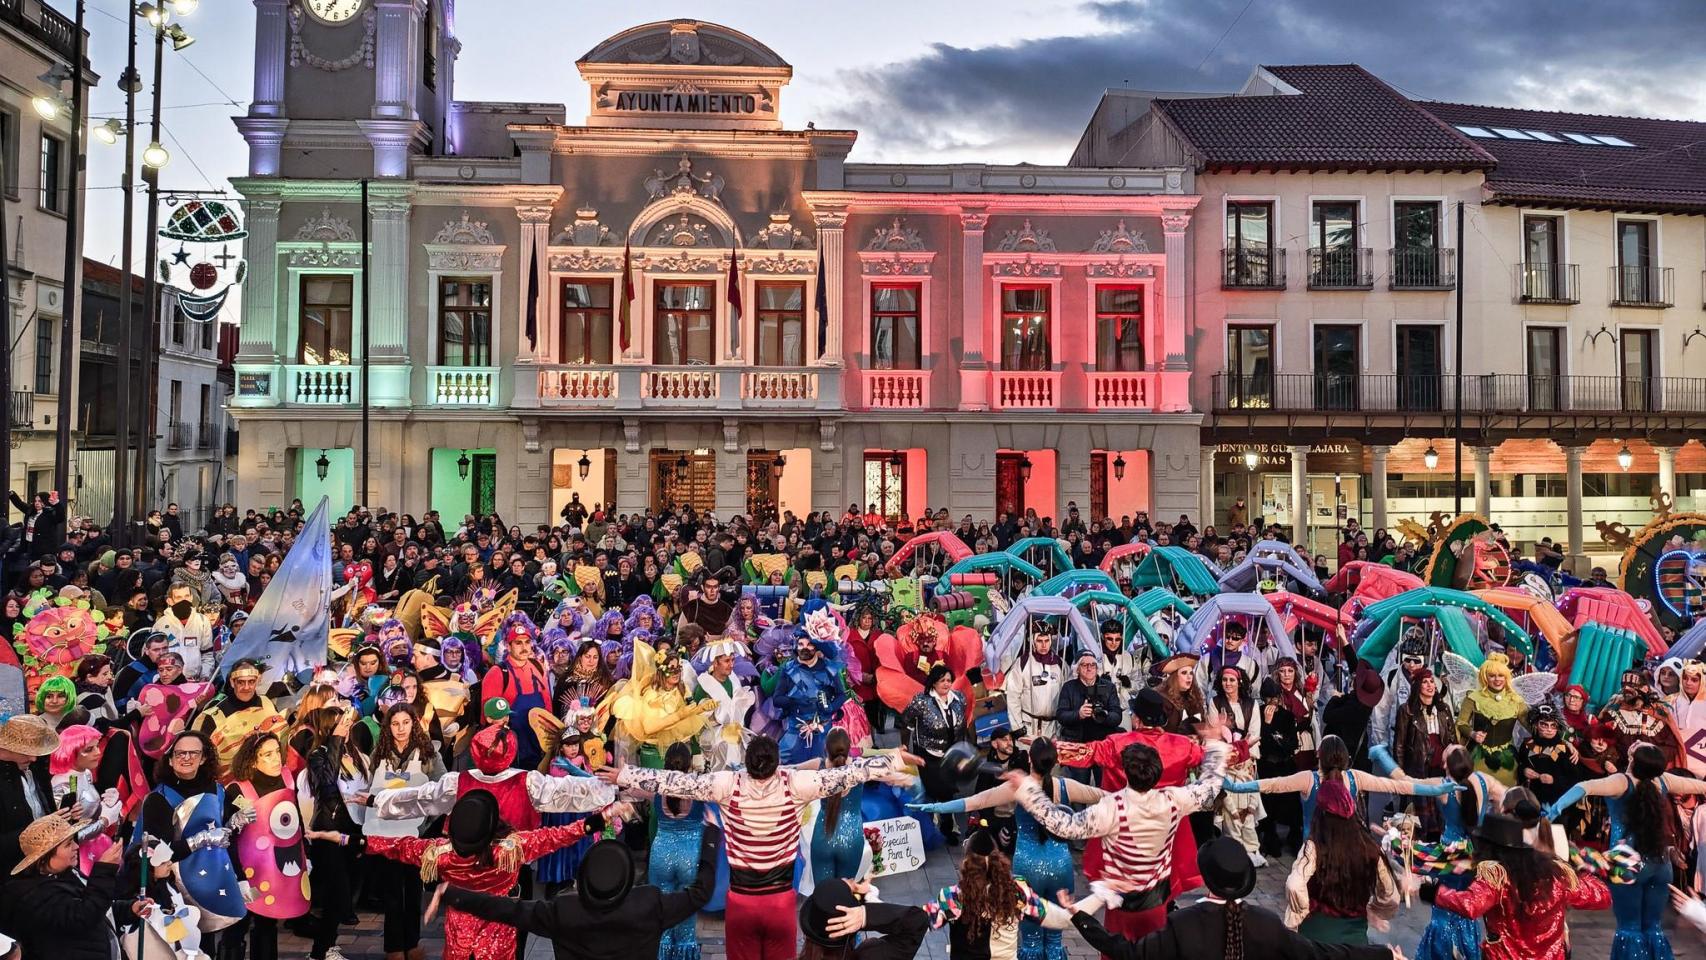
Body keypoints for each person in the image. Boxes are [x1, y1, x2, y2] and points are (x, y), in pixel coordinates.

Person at [608, 733, 911, 960]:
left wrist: (625, 774)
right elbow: (848, 774)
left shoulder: (726, 784)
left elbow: (676, 783)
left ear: (748, 763)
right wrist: (892, 758)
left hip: (740, 903)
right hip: (780, 904)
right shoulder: (796, 784)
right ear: (776, 763)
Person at [1009, 736, 1230, 943]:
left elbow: (1064, 826)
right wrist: (1217, 747)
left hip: (1121, 905)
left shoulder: (1111, 807)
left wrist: (1029, 790)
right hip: (1156, 902)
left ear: (1125, 771)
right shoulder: (1173, 800)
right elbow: (1208, 789)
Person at [1056, 836, 1399, 960]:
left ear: (1207, 879)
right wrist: (1383, 955)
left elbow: (1125, 952)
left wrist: (1079, 916)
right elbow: (1325, 954)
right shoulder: (1267, 925)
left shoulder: (1183, 925)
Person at [369, 790, 615, 960]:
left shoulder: (441, 854)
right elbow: (558, 835)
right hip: (499, 938)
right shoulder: (512, 848)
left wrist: (351, 840)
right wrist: (599, 820)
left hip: (459, 945)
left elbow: (397, 846)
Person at [436, 821, 722, 960]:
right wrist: (710, 840)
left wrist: (454, 894)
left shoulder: (563, 911)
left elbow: (507, 909)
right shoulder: (648, 903)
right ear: (627, 880)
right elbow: (700, 893)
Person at [911, 738, 1081, 960]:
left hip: (1028, 863)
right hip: (1061, 867)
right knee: (1054, 940)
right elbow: (1102, 798)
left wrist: (934, 807)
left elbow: (974, 802)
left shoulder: (953, 897)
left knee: (1030, 941)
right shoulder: (1017, 892)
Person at [1543, 742, 1706, 960]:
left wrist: (1554, 810)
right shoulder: (1663, 780)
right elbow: (1700, 787)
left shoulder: (1621, 781)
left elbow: (1584, 787)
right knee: (1653, 928)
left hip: (1627, 863)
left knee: (1629, 928)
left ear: (1632, 760)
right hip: (1661, 863)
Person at [1419, 813, 1609, 960]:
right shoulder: (1557, 875)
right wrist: (1584, 869)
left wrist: (1430, 891)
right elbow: (1602, 896)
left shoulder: (1497, 876)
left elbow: (1470, 904)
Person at [1, 812, 146, 960]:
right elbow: (84, 915)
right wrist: (104, 871)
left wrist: (129, 909)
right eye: (68, 844)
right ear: (44, 857)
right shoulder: (33, 897)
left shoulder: (66, 874)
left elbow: (97, 907)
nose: (76, 846)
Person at [366, 702, 445, 960]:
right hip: (386, 834)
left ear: (415, 723)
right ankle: (393, 947)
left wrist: (425, 823)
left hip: (415, 835)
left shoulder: (428, 753)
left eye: (406, 723)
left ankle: (412, 942)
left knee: (412, 890)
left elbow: (442, 789)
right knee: (391, 893)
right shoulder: (379, 753)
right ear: (388, 726)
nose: (401, 729)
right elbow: (370, 790)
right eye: (395, 723)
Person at [1282, 780, 1398, 943]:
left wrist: (1302, 911)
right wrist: (1375, 910)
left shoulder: (1314, 848)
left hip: (1316, 934)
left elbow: (1294, 885)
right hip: (1354, 937)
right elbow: (1390, 895)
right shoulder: (1370, 849)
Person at [902, 664, 968, 843]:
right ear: (933, 683)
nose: (946, 684)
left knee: (947, 791)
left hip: (950, 754)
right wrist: (903, 746)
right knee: (933, 791)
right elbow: (906, 721)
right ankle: (927, 830)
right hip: (927, 755)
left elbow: (963, 728)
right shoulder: (921, 701)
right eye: (942, 680)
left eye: (949, 680)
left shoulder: (959, 699)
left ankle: (948, 829)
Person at [0, 715, 59, 874]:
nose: (33, 758)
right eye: (27, 752)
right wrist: (36, 832)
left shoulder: (34, 768)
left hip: (41, 865)